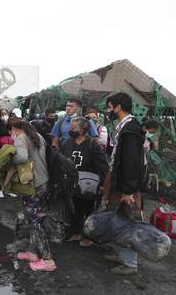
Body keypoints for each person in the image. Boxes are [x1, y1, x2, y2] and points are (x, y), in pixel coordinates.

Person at [101, 92, 145, 275]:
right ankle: (121, 254)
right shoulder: (124, 126)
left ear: (118, 107)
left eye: (110, 107)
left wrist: (128, 191)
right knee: (117, 218)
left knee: (128, 220)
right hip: (119, 181)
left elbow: (132, 162)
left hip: (127, 185)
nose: (108, 111)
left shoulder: (131, 128)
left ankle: (130, 263)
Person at [10, 120, 56, 272]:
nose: (12, 134)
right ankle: (32, 253)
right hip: (44, 182)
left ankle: (48, 260)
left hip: (33, 185)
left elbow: (21, 158)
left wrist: (10, 156)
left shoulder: (20, 137)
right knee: (34, 218)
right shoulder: (38, 136)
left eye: (12, 131)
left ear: (16, 129)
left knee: (35, 221)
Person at [63, 117, 109, 247]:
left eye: (74, 128)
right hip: (72, 183)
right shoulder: (67, 142)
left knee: (89, 210)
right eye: (70, 128)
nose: (70, 130)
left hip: (89, 184)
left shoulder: (92, 144)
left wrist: (103, 185)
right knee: (74, 209)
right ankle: (76, 232)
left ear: (83, 130)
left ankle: (89, 236)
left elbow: (103, 165)